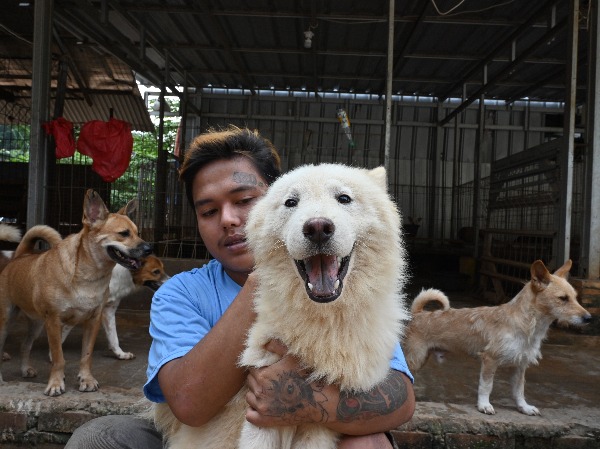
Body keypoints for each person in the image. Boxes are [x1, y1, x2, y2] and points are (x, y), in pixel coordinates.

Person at [66, 125, 415, 449]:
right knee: (98, 438)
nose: (229, 220)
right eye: (208, 211)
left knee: (369, 443)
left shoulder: (358, 291)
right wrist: (262, 282)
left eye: (244, 201)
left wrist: (300, 405)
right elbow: (189, 404)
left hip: (314, 432)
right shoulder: (180, 293)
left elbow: (398, 402)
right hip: (206, 433)